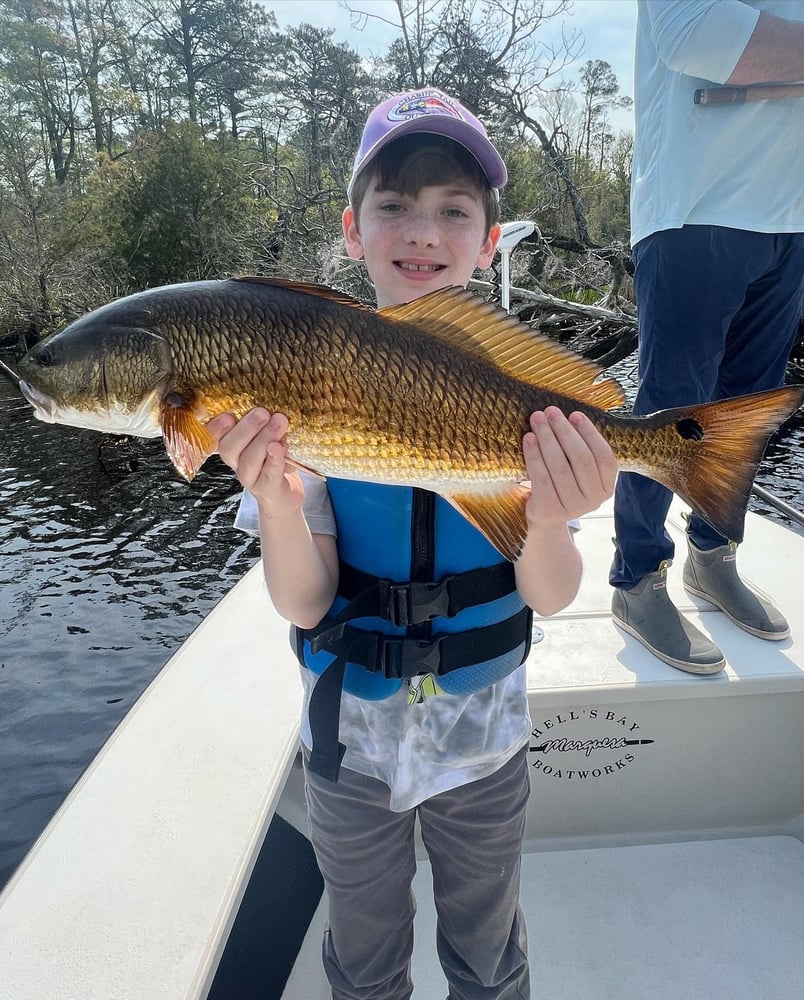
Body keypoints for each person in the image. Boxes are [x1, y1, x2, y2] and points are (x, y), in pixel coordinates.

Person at [208, 88, 617, 999]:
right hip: (349, 742)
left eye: (453, 211)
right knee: (364, 947)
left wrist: (547, 518)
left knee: (487, 941)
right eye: (394, 205)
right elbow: (305, 602)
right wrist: (276, 496)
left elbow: (548, 594)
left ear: (491, 239)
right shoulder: (295, 383)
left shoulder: (517, 394)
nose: (422, 231)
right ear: (354, 231)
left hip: (487, 741)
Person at [610, 0, 804, 675]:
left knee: (748, 417)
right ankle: (637, 579)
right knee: (671, 413)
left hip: (792, 216)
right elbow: (695, 33)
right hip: (693, 209)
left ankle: (712, 555)